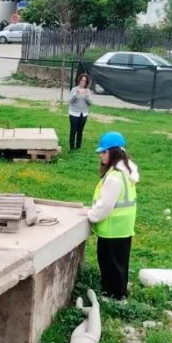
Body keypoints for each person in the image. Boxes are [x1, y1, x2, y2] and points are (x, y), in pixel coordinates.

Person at [88, 132, 140, 300]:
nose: (101, 155)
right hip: (123, 227)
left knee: (110, 264)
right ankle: (116, 292)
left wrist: (91, 214)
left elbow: (106, 205)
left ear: (114, 152)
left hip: (112, 228)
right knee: (119, 263)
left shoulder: (115, 177)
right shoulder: (126, 170)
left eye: (104, 152)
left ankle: (115, 296)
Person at [68, 73, 93, 151]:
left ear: (86, 83)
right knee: (73, 130)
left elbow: (90, 103)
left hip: (83, 113)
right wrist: (76, 94)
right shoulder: (74, 89)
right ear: (79, 80)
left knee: (80, 130)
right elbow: (70, 101)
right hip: (74, 113)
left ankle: (78, 146)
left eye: (85, 81)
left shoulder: (87, 91)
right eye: (82, 80)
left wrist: (86, 96)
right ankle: (72, 147)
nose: (83, 82)